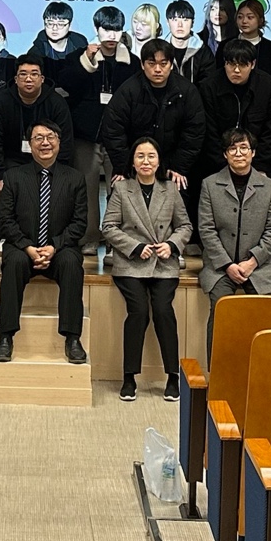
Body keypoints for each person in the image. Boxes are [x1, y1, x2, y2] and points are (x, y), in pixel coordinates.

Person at [103, 136, 192, 402]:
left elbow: (185, 226)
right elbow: (108, 227)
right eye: (140, 156)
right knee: (139, 311)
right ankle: (129, 376)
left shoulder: (170, 189)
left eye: (151, 156)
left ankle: (173, 376)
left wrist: (171, 245)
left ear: (159, 160)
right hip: (131, 264)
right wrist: (134, 246)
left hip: (163, 264)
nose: (146, 161)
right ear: (132, 161)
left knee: (164, 311)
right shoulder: (122, 189)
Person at [0, 121, 88, 364]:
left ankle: (72, 338)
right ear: (29, 144)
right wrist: (28, 247)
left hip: (59, 248)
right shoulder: (14, 177)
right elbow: (5, 220)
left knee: (71, 263)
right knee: (13, 262)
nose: (45, 143)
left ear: (59, 142)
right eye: (38, 138)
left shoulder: (75, 178)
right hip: (23, 247)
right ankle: (5, 337)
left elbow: (79, 223)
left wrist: (54, 246)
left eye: (50, 137)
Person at [100, 39, 208, 232]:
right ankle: (122, 242)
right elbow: (113, 130)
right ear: (142, 65)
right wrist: (126, 166)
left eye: (163, 63)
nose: (157, 69)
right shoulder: (128, 90)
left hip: (172, 161)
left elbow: (194, 133)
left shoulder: (186, 91)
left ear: (171, 65)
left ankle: (174, 242)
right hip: (135, 161)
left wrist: (179, 166)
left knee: (180, 188)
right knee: (121, 188)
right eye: (151, 63)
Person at [198, 128, 271, 358]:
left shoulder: (269, 187)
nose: (238, 153)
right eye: (232, 149)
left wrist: (252, 262)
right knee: (221, 308)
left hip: (258, 266)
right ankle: (217, 372)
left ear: (253, 153)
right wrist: (228, 265)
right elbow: (206, 230)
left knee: (265, 312)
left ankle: (261, 371)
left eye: (244, 148)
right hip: (220, 267)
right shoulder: (210, 184)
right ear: (225, 154)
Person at [60, 6, 136, 253]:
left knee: (121, 190)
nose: (111, 35)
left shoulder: (131, 63)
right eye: (106, 29)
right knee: (86, 189)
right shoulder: (80, 57)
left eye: (116, 30)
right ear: (96, 29)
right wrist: (87, 62)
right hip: (86, 136)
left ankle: (117, 240)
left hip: (119, 138)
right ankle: (89, 237)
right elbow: (67, 85)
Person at [198, 37, 271, 186]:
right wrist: (225, 166)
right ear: (224, 63)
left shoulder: (269, 87)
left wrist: (258, 166)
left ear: (252, 64)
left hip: (258, 164)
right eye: (231, 64)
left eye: (242, 65)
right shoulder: (209, 87)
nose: (236, 70)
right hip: (217, 164)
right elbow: (209, 133)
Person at [0, 54, 75, 184]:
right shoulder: (1, 102)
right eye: (23, 74)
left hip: (47, 162)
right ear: (16, 79)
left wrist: (59, 175)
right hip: (12, 163)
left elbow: (65, 142)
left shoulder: (56, 103)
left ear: (42, 79)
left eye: (34, 74)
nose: (28, 79)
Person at [190, 0, 236, 86]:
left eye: (222, 9)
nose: (217, 13)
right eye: (213, 9)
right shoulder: (198, 40)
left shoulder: (238, 40)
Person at [30, 0, 88, 70]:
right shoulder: (35, 53)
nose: (54, 28)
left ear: (69, 25)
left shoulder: (80, 45)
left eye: (60, 24)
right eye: (50, 24)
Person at [235, 0, 271, 80]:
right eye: (240, 17)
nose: (244, 21)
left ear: (260, 20)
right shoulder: (226, 45)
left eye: (250, 17)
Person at [164, 0, 199, 80]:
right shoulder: (158, 49)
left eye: (185, 20)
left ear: (192, 23)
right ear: (167, 22)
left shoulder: (202, 51)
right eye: (175, 20)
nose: (180, 25)